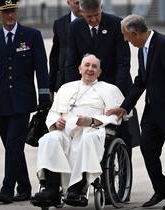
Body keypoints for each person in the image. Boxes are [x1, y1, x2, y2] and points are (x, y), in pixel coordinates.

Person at [106, 15, 165, 210]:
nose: (125, 40)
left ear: (135, 33)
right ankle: (161, 189)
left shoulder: (164, 45)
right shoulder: (142, 49)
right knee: (147, 148)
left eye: (126, 36)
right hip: (152, 112)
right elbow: (141, 81)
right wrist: (125, 106)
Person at [31, 54, 124, 207]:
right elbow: (53, 113)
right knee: (49, 139)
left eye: (94, 66)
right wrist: (57, 121)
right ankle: (52, 188)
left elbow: (116, 117)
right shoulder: (66, 88)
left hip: (91, 131)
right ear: (80, 69)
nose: (90, 69)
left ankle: (77, 188)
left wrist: (91, 120)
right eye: (87, 65)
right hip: (66, 131)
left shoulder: (109, 89)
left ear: (99, 72)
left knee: (87, 140)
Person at [0, 0, 50, 204]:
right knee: (13, 147)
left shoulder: (32, 35)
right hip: (1, 101)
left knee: (13, 145)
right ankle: (25, 187)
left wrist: (44, 95)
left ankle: (7, 189)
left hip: (23, 101)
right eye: (5, 13)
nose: (10, 16)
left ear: (17, 12)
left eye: (13, 11)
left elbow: (41, 67)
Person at [64, 0, 135, 173]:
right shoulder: (75, 27)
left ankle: (124, 175)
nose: (94, 20)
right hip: (88, 86)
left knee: (122, 134)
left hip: (115, 85)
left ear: (101, 9)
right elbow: (71, 62)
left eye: (97, 15)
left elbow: (123, 62)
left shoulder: (116, 24)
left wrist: (114, 93)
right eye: (89, 17)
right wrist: (71, 90)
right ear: (81, 12)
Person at [49, 0, 81, 99]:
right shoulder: (59, 24)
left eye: (82, 2)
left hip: (90, 79)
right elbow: (55, 57)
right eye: (76, 3)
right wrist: (50, 87)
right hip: (65, 81)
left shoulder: (94, 20)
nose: (80, 6)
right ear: (68, 2)